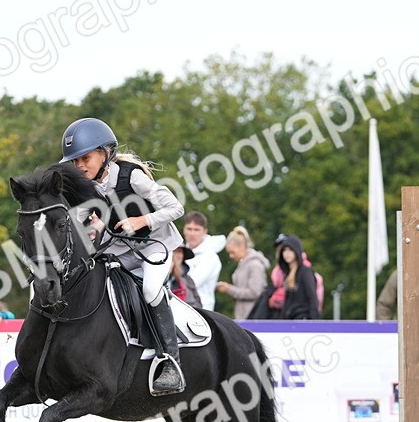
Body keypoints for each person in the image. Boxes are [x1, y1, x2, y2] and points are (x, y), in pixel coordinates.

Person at [62, 117, 186, 395]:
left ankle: (170, 362)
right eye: (75, 162)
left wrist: (142, 221)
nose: (79, 166)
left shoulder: (132, 176)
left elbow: (175, 207)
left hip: (155, 245)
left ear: (105, 154)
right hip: (121, 249)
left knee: (152, 290)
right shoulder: (88, 186)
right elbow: (82, 218)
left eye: (85, 158)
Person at [216, 226, 270, 321]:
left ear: (241, 246)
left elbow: (254, 292)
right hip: (243, 316)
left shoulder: (254, 265)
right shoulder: (242, 264)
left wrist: (229, 289)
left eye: (232, 252)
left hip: (254, 317)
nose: (231, 256)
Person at [180, 212, 225, 311]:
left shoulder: (210, 257)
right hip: (181, 309)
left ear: (205, 231)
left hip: (202, 312)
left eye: (196, 230)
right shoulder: (179, 253)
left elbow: (191, 284)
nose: (192, 233)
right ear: (184, 230)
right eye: (189, 229)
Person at [272, 234, 320, 320]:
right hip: (290, 321)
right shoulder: (287, 274)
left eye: (290, 250)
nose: (287, 253)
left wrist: (313, 324)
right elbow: (287, 303)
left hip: (304, 321)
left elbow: (313, 299)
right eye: (284, 250)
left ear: (296, 251)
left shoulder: (306, 272)